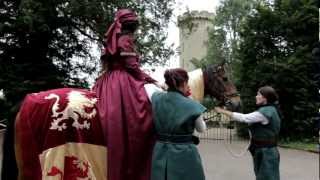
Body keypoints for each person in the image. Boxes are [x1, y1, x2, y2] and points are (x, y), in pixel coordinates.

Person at [92, 9, 159, 180]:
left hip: (107, 83)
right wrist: (152, 80)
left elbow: (108, 64)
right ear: (132, 25)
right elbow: (132, 66)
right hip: (123, 83)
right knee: (142, 111)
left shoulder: (113, 40)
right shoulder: (126, 40)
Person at [144, 68, 207, 180]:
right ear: (183, 83)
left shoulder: (156, 97)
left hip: (160, 150)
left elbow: (147, 87)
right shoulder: (193, 105)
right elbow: (201, 129)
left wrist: (162, 86)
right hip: (184, 152)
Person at [215, 86, 281, 180]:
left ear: (265, 98)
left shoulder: (265, 112)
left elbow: (244, 118)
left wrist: (222, 111)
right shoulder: (269, 109)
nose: (256, 96)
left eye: (258, 94)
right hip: (264, 151)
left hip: (266, 152)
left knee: (267, 177)